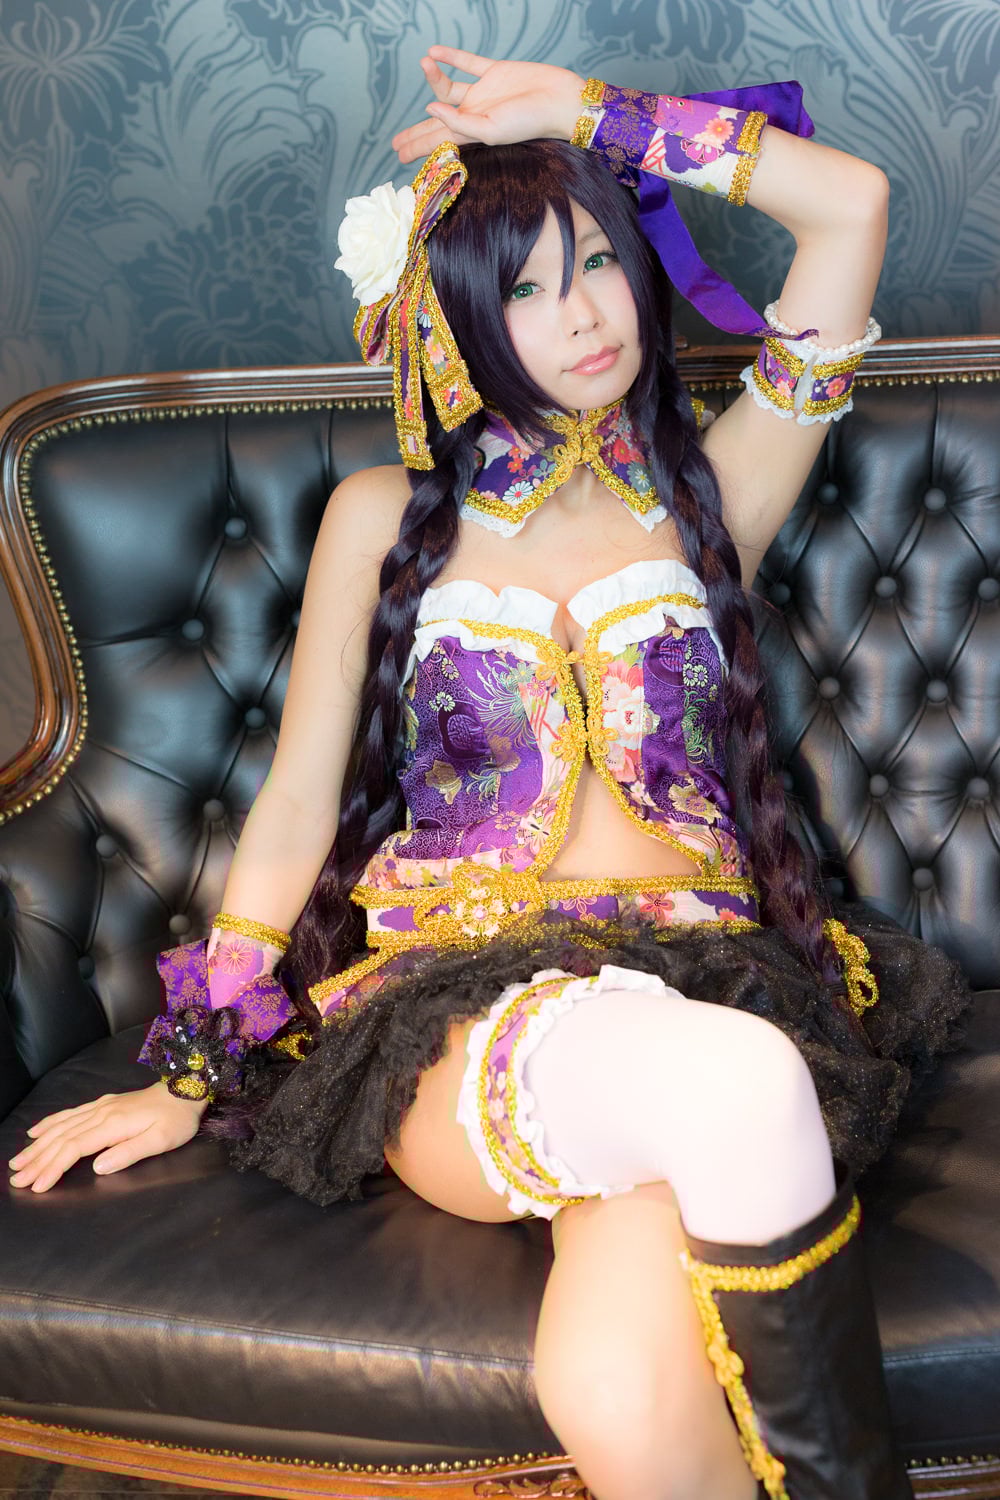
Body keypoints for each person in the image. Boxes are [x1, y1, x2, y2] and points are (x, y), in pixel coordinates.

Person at [8, 46, 970, 1500]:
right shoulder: (382, 519)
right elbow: (297, 803)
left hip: (710, 984)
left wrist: (583, 116)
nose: (583, 314)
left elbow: (852, 206)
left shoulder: (717, 490)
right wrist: (192, 1071)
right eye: (523, 288)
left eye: (599, 262)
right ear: (451, 320)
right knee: (736, 1087)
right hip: (467, 1009)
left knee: (617, 1390)